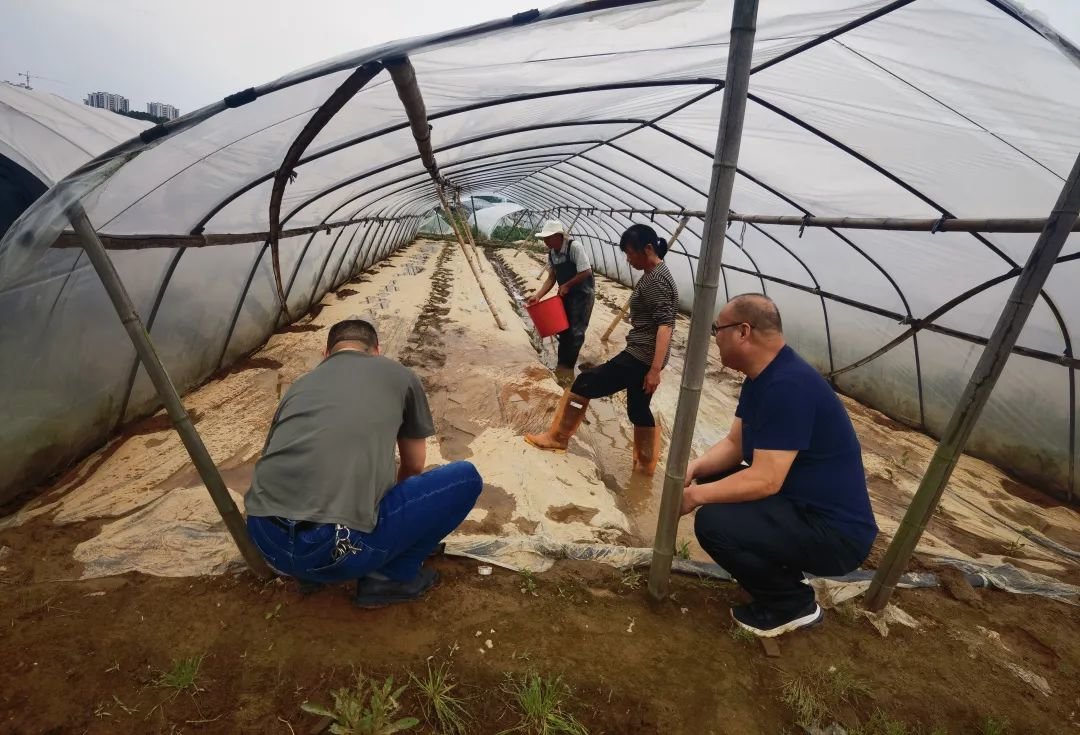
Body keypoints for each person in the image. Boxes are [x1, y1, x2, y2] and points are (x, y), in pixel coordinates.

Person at [244, 319, 482, 608]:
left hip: (268, 543)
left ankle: (309, 574)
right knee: (465, 479)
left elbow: (270, 456)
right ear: (376, 350)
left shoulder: (299, 386)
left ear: (326, 354)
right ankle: (388, 578)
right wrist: (404, 525)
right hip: (336, 549)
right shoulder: (400, 375)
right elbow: (414, 465)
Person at [681, 294, 877, 637]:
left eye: (718, 329)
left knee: (713, 521)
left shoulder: (789, 386)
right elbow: (734, 445)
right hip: (800, 505)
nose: (716, 337)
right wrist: (695, 469)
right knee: (717, 478)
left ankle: (792, 604)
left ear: (743, 332)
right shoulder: (760, 379)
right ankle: (778, 570)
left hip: (833, 532)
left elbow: (767, 480)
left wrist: (697, 497)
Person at [525, 223, 677, 476]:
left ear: (647, 248)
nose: (628, 259)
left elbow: (665, 326)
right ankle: (645, 466)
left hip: (641, 356)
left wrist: (654, 370)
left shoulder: (658, 280)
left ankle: (557, 438)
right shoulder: (654, 274)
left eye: (630, 253)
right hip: (644, 354)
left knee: (585, 382)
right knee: (638, 409)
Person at [525, 218, 595, 386]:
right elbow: (552, 277)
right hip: (566, 294)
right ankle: (562, 363)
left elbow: (586, 271)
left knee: (576, 331)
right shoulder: (552, 254)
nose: (545, 241)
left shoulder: (574, 247)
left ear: (559, 236)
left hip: (582, 295)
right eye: (544, 238)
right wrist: (538, 296)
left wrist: (568, 285)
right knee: (563, 329)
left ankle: (567, 368)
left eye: (548, 238)